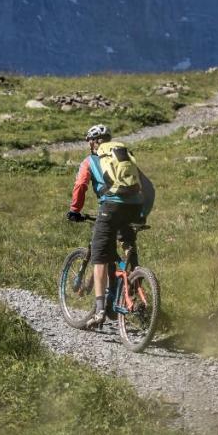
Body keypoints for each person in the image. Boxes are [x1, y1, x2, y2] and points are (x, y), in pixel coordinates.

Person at [66, 124, 147, 327]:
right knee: (126, 244)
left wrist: (75, 210)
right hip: (135, 207)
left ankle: (100, 310)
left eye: (89, 141)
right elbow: (144, 184)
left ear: (93, 142)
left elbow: (80, 186)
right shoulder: (123, 155)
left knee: (99, 256)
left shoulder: (91, 160)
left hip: (110, 207)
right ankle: (137, 279)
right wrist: (142, 213)